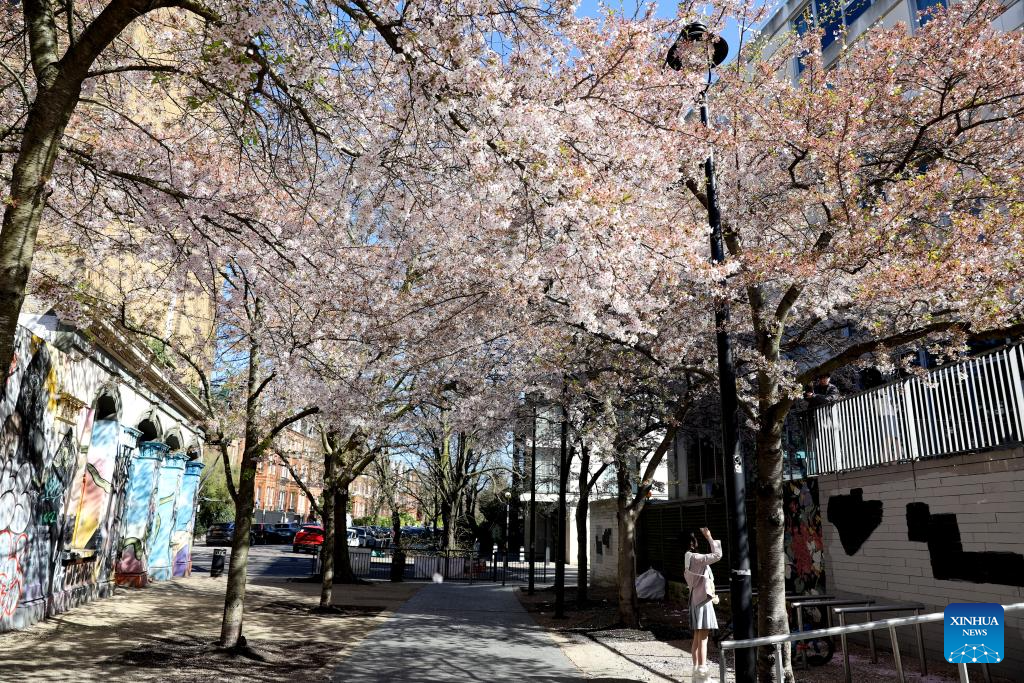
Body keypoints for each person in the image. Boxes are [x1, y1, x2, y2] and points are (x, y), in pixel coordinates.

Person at [684, 527, 722, 679]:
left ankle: (696, 673)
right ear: (692, 542)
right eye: (695, 538)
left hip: (694, 600)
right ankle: (702, 674)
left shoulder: (687, 557)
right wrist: (709, 537)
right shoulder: (697, 558)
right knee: (703, 639)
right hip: (703, 601)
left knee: (697, 637)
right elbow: (718, 555)